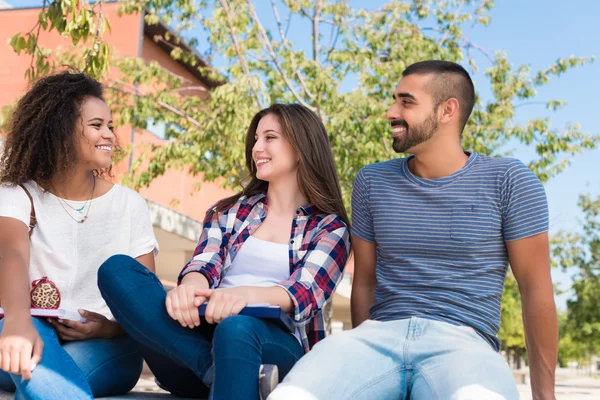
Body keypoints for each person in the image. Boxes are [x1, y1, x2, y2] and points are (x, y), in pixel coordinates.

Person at [269, 60, 557, 400]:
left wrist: (544, 396)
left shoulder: (509, 181)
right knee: (293, 395)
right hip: (377, 337)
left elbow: (535, 289)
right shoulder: (372, 181)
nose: (391, 112)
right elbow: (364, 281)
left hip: (464, 344)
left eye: (406, 102)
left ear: (448, 110)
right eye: (394, 100)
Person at [97, 103, 351, 400]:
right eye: (256, 139)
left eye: (269, 138)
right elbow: (205, 263)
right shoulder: (228, 211)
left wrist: (238, 298)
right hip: (196, 345)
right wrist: (189, 289)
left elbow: (302, 293)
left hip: (272, 353)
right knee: (117, 270)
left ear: (301, 147)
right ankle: (211, 369)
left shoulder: (329, 228)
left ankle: (222, 367)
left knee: (237, 327)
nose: (257, 147)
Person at [0, 71, 159, 400]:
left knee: (44, 375)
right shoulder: (16, 194)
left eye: (111, 126)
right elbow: (10, 254)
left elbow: (146, 301)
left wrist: (107, 327)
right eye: (96, 125)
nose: (110, 136)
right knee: (37, 358)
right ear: (61, 131)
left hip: (107, 345)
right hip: (18, 331)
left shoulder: (129, 204)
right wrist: (18, 323)